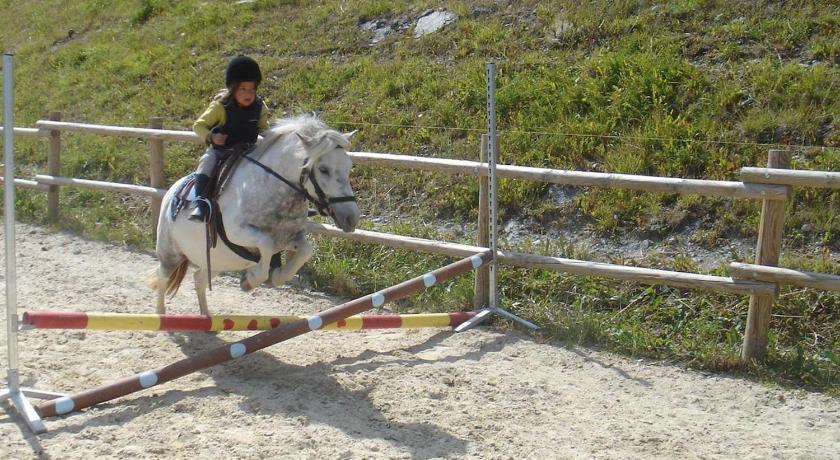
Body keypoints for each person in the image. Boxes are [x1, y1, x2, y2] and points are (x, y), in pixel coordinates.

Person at [189, 55, 271, 222]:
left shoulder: (260, 107)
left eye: (252, 89)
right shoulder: (220, 107)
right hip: (222, 152)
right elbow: (198, 126)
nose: (248, 94)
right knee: (206, 160)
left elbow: (265, 127)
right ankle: (201, 203)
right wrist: (211, 136)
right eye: (243, 89)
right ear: (233, 88)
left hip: (249, 151)